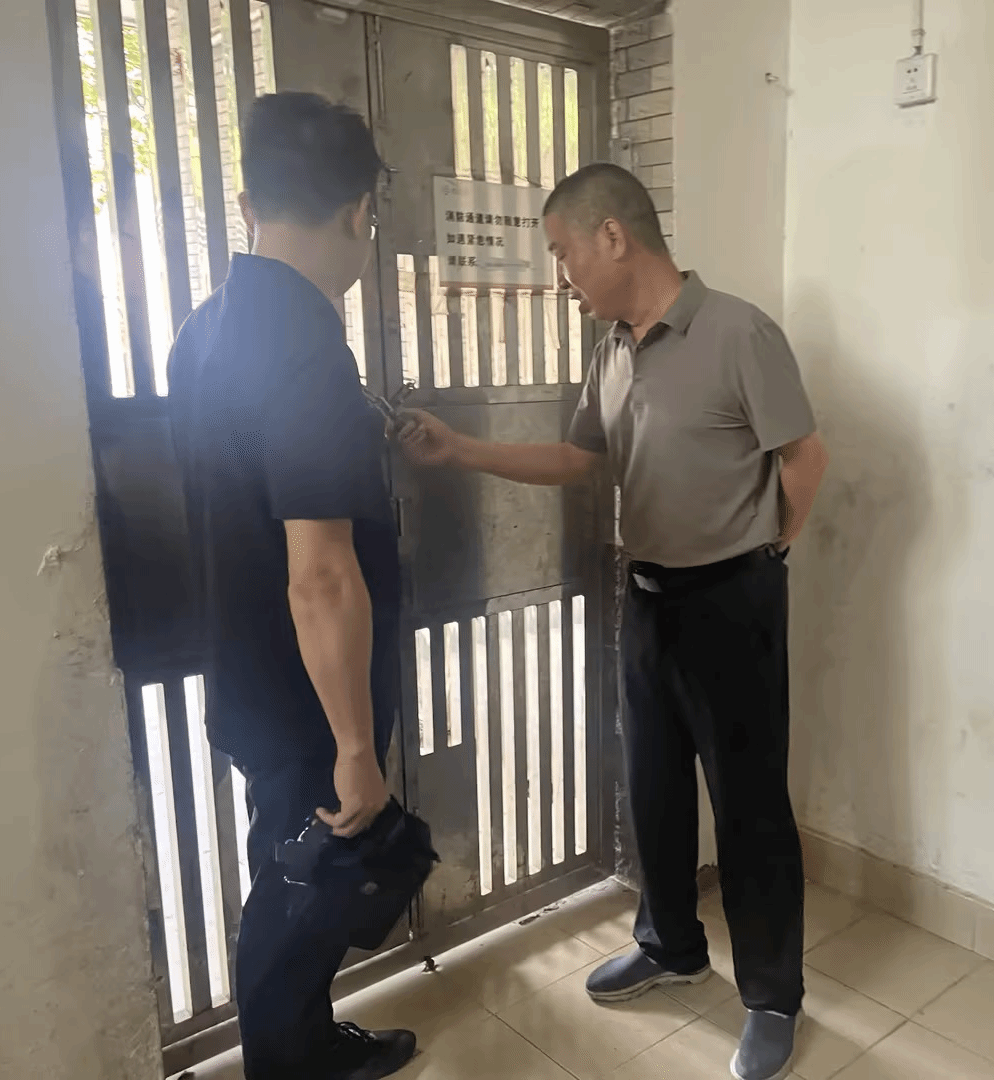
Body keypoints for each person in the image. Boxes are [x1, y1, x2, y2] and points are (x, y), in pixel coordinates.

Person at [398, 162, 829, 1080]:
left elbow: (805, 456)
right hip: (648, 600)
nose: (561, 276)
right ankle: (671, 945)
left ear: (613, 236)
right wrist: (461, 449)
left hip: (732, 602)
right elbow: (576, 457)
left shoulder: (739, 332)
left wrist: (769, 553)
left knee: (749, 806)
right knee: (653, 785)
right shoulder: (613, 351)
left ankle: (772, 997)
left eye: (562, 254)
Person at [167, 92, 416, 1080]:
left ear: (247, 204)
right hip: (309, 694)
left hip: (248, 673)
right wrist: (354, 746)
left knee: (291, 866)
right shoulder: (307, 350)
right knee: (301, 888)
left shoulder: (204, 332)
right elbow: (319, 574)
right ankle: (286, 1062)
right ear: (360, 212)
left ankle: (305, 1043)